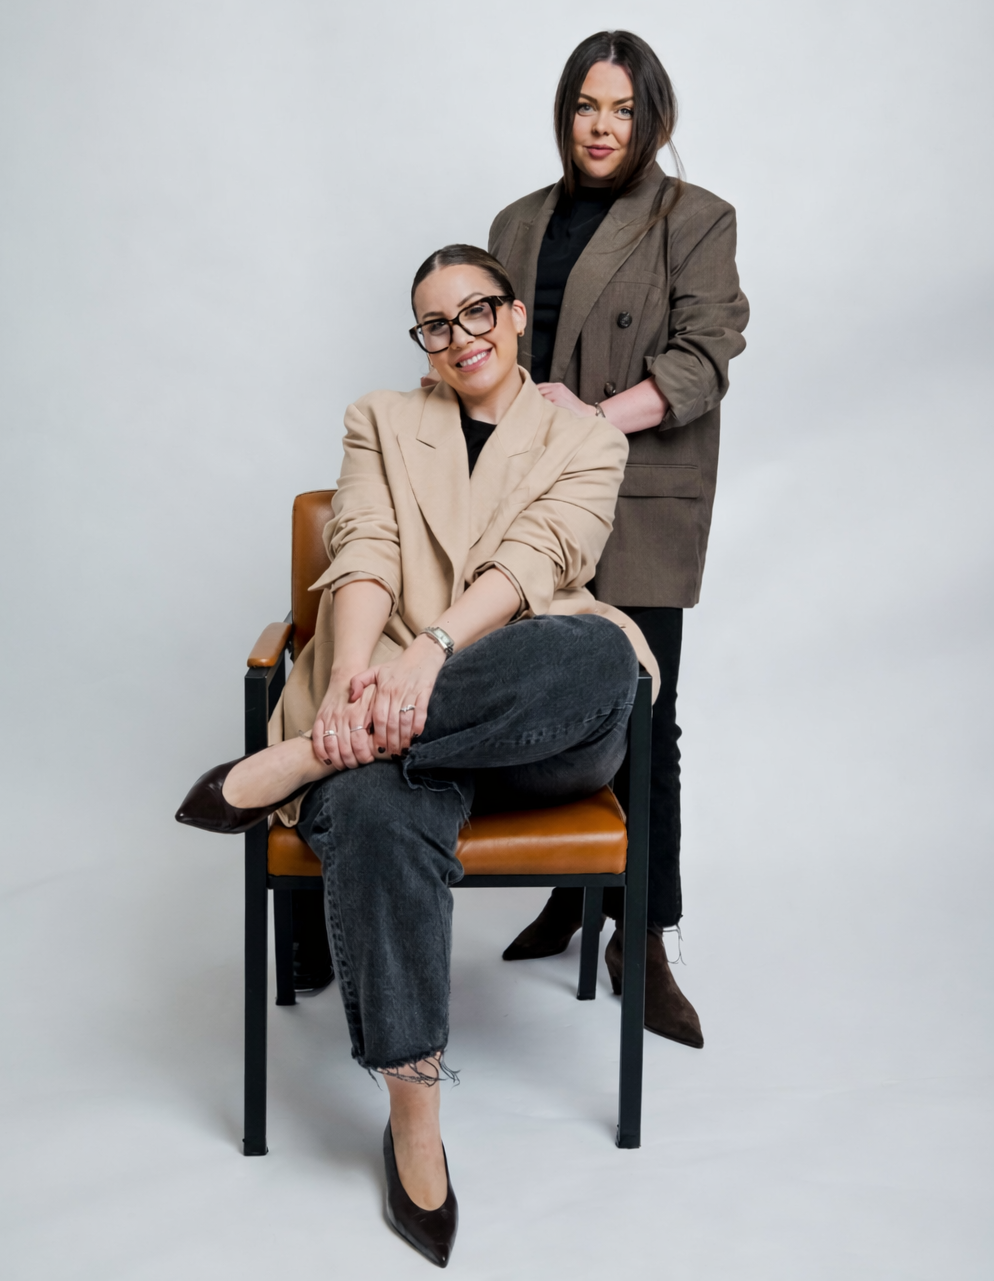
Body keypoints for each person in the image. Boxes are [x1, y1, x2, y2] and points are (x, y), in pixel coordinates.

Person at [176, 246, 658, 1268]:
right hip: (384, 709)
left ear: (517, 316)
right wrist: (357, 678)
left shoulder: (582, 435)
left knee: (596, 657)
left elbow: (542, 557)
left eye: (478, 312)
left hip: (532, 716)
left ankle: (305, 757)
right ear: (422, 343)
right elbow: (362, 552)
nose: (461, 337)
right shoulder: (382, 421)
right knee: (377, 808)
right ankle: (414, 1118)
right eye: (435, 324)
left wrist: (429, 660)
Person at [487, 30, 749, 1049]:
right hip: (526, 502)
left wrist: (591, 415)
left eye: (622, 110)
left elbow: (704, 357)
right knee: (541, 702)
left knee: (645, 717)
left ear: (652, 120)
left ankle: (638, 936)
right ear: (564, 114)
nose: (601, 127)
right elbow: (482, 346)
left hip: (636, 494)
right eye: (586, 107)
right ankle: (571, 891)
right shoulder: (514, 221)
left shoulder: (694, 218)